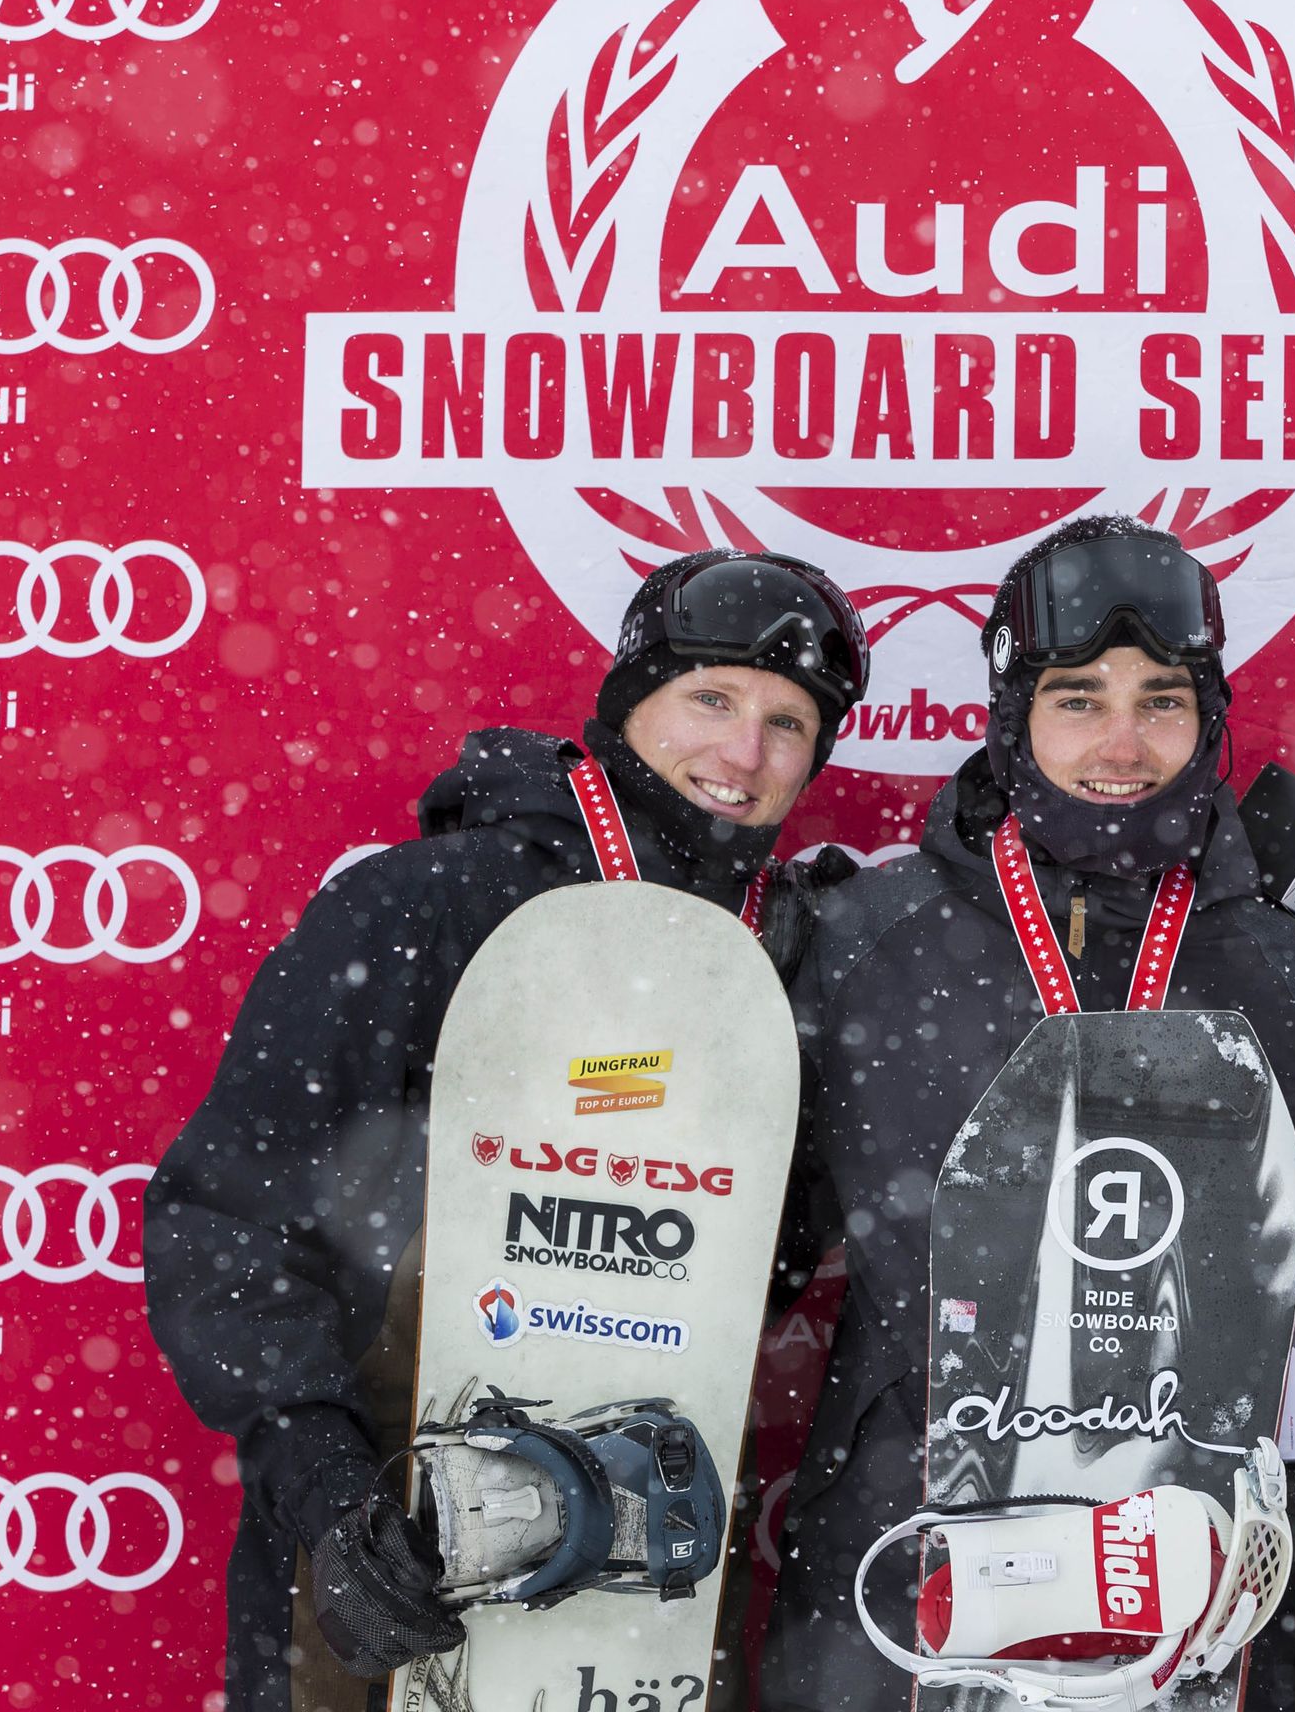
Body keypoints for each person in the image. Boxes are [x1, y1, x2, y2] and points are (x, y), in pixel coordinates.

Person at [145, 550, 871, 1712]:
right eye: (713, 701)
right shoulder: (426, 903)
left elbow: (765, 1269)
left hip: (648, 1534)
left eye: (788, 725)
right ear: (631, 704)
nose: (744, 755)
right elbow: (229, 1222)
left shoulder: (784, 968)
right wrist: (327, 1489)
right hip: (388, 1510)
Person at [758, 516, 1295, 1710]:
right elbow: (755, 1252)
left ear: (1208, 717)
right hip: (910, 1546)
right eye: (1078, 698)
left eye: (1162, 700)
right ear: (1013, 716)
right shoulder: (867, 943)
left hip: (1197, 1555)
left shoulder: (1292, 975)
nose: (1123, 741)